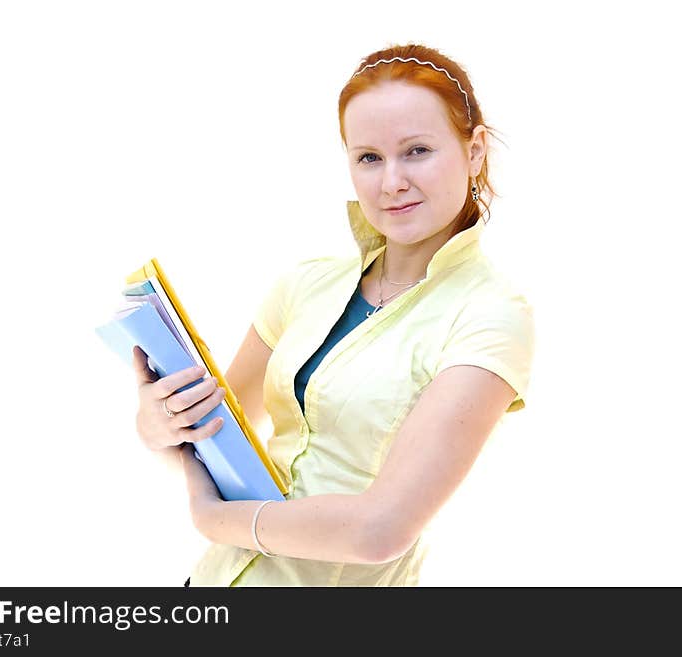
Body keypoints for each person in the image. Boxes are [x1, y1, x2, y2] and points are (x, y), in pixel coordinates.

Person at [131, 43, 536, 586]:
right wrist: (159, 425)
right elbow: (218, 436)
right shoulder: (305, 284)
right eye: (369, 157)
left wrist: (219, 519)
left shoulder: (491, 315)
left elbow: (381, 530)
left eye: (417, 150)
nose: (391, 181)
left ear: (476, 151)